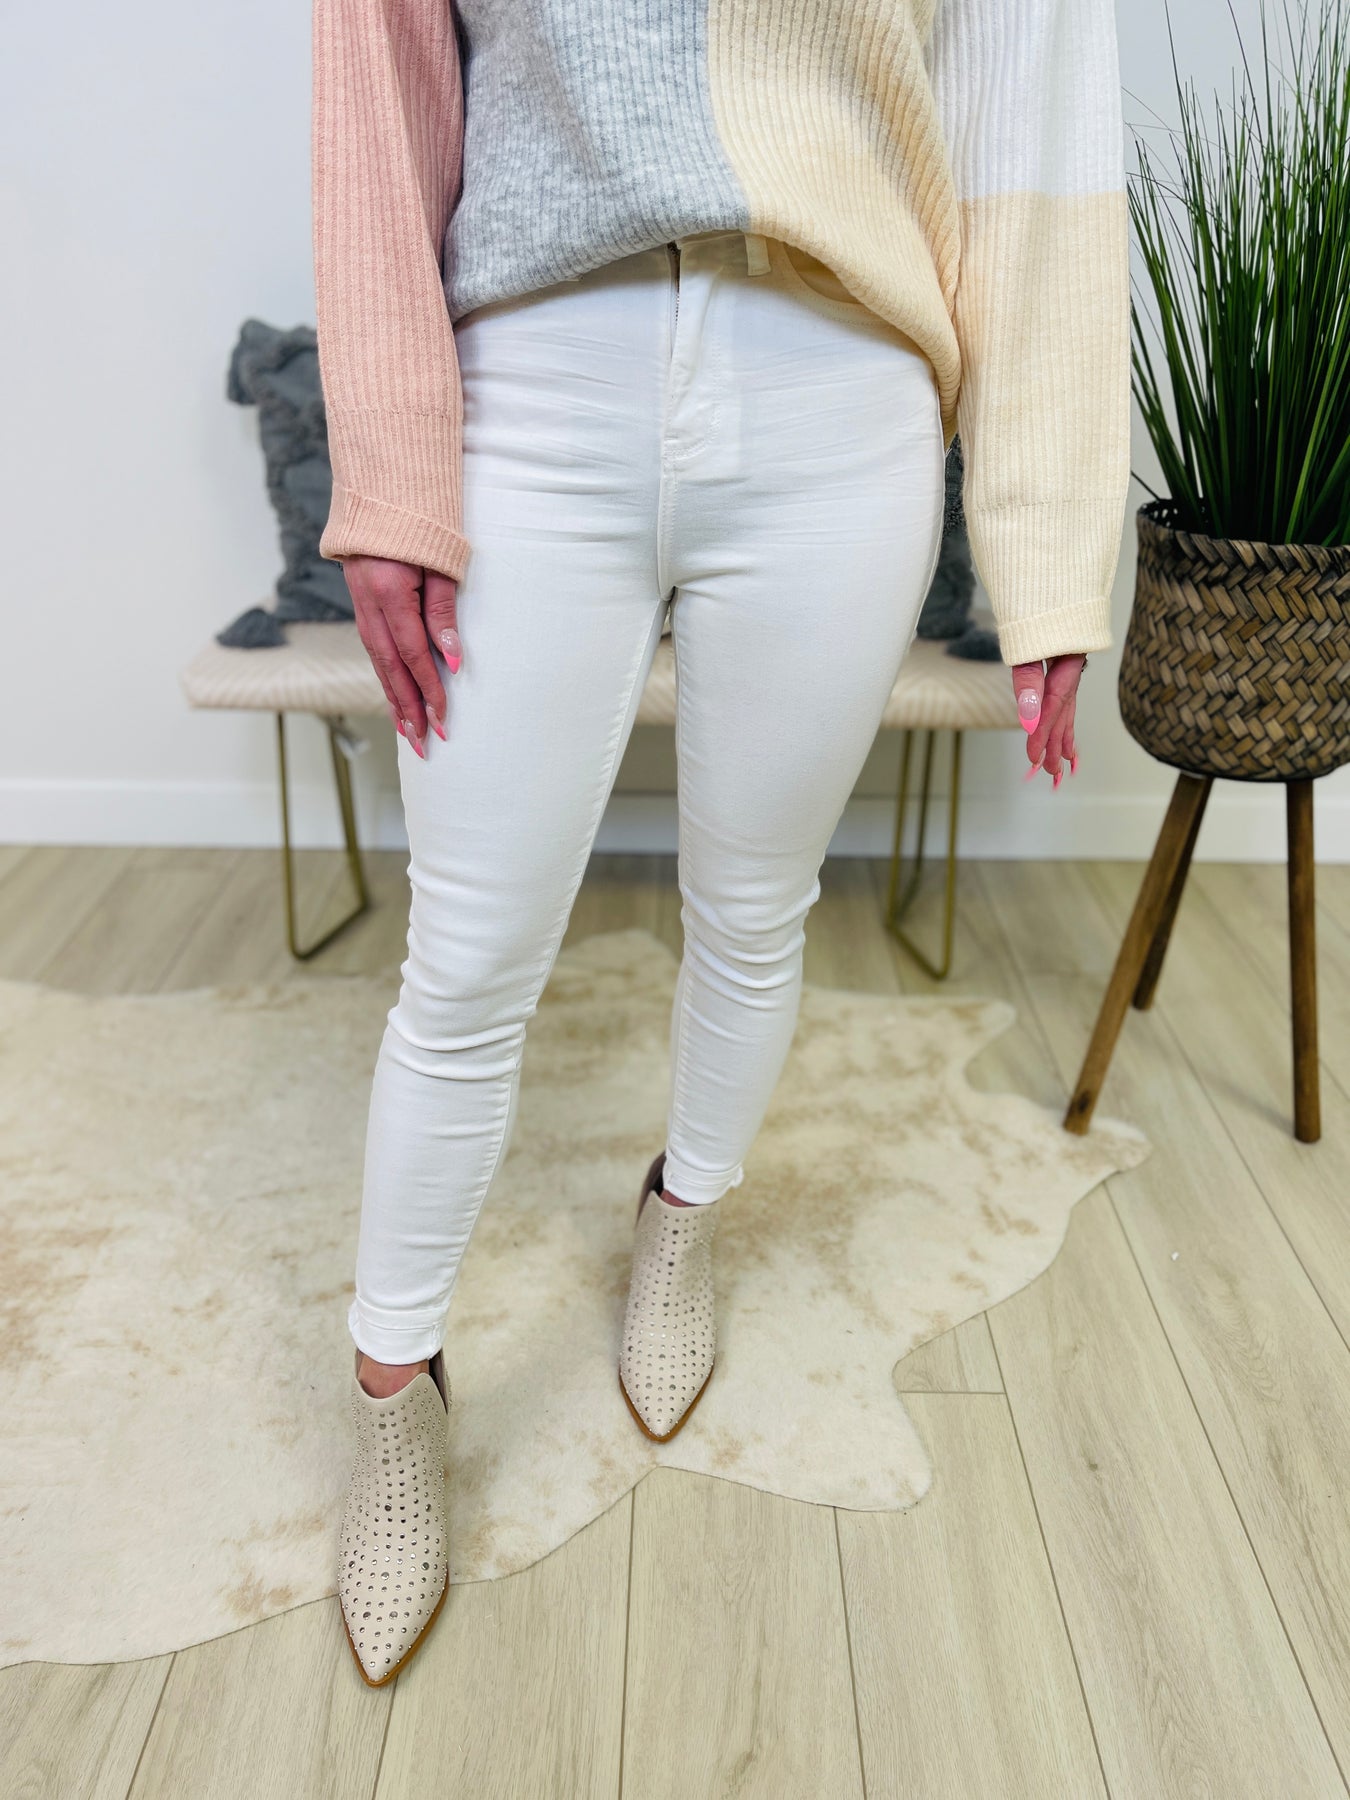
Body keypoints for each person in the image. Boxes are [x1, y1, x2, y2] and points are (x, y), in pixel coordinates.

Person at [314, 0, 1130, 1685]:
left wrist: (1047, 542)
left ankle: (681, 1214)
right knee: (465, 957)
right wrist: (390, 468)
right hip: (533, 378)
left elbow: (1032, 121)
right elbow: (374, 81)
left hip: (840, 396)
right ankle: (393, 1387)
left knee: (755, 905)